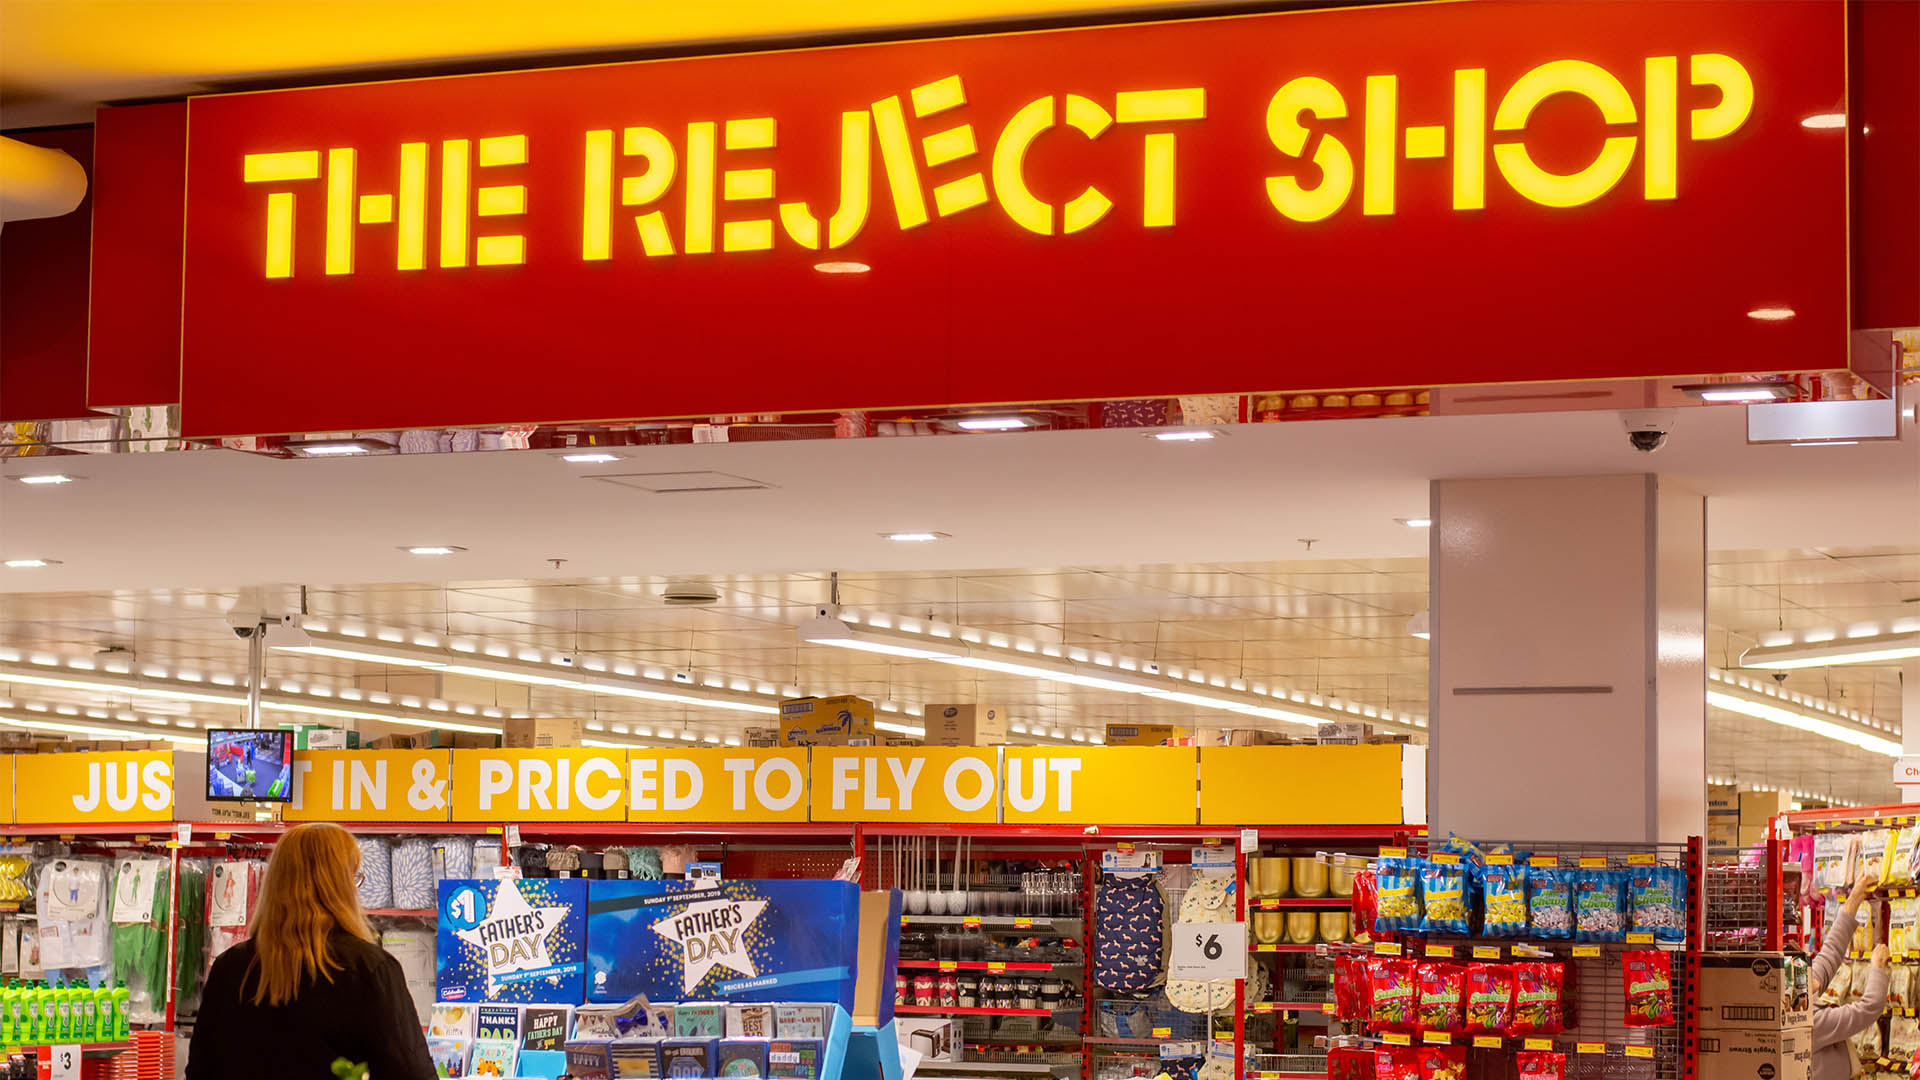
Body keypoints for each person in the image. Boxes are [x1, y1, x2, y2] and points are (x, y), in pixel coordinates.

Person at [187, 822, 435, 1080]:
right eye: (353, 878)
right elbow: (411, 1072)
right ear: (339, 887)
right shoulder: (369, 969)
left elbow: (200, 1070)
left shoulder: (230, 967)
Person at [1811, 871, 1889, 1080]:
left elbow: (1829, 954)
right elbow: (1867, 1010)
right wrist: (1878, 968)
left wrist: (1855, 897)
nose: (1808, 973)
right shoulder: (1810, 1023)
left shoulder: (1800, 998)